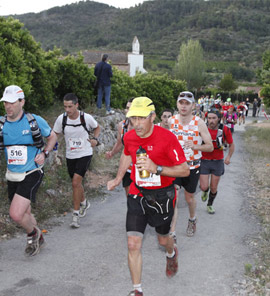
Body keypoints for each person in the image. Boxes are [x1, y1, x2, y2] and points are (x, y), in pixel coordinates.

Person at [107, 97, 189, 296]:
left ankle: (171, 253)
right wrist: (118, 179)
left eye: (141, 118)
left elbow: (184, 170)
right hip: (138, 192)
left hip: (162, 196)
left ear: (152, 116)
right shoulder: (130, 137)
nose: (136, 123)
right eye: (133, 118)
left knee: (163, 240)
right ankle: (137, 290)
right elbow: (127, 154)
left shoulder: (167, 138)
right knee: (133, 243)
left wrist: (157, 168)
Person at [0, 85, 57, 256]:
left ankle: (33, 233)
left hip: (32, 171)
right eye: (5, 103)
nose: (8, 106)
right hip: (12, 174)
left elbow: (52, 136)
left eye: (12, 102)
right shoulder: (1, 124)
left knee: (16, 214)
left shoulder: (34, 121)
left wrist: (45, 153)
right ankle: (36, 239)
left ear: (22, 102)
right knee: (25, 212)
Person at [53, 93, 101, 228]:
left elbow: (97, 127)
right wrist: (51, 148)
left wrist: (95, 140)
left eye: (70, 106)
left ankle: (75, 215)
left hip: (85, 153)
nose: (67, 110)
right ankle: (84, 202)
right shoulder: (61, 119)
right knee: (77, 184)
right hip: (70, 155)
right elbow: (55, 134)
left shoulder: (86, 118)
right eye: (65, 107)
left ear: (76, 105)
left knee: (75, 182)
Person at [170, 91, 213, 238]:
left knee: (189, 198)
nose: (183, 106)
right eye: (181, 102)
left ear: (193, 106)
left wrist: (195, 146)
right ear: (177, 104)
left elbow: (210, 146)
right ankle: (172, 232)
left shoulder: (199, 123)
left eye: (187, 103)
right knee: (174, 198)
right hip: (175, 166)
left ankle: (192, 219)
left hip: (192, 167)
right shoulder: (171, 121)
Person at [200, 109, 235, 214]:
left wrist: (228, 157)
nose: (211, 121)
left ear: (219, 119)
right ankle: (205, 191)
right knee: (204, 186)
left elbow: (231, 144)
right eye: (209, 118)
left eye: (214, 118)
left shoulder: (224, 130)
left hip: (217, 161)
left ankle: (210, 204)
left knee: (214, 187)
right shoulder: (202, 129)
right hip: (204, 160)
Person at [105, 98, 134, 196]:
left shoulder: (145, 127)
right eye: (127, 108)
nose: (128, 110)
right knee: (130, 198)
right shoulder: (122, 126)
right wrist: (111, 153)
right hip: (127, 167)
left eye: (131, 108)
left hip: (143, 168)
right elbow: (119, 143)